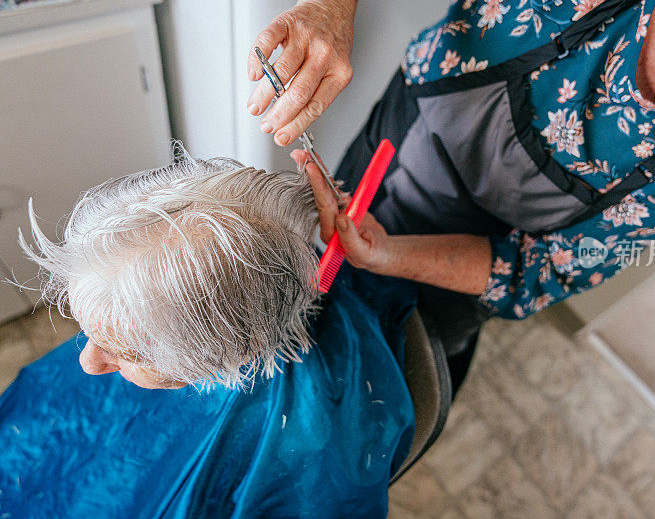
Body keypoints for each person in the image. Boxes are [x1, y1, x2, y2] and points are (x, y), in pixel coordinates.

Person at [246, 0, 655, 389]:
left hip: (456, 277)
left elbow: (546, 268)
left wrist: (392, 254)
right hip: (399, 146)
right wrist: (327, 2)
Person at [2, 147, 415, 517]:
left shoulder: (316, 450)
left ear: (236, 349)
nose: (86, 363)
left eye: (127, 353)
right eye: (88, 329)